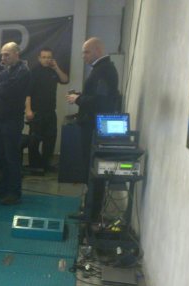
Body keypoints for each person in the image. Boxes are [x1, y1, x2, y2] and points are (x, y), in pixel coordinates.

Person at [66, 37, 120, 221]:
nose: (83, 56)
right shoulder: (100, 70)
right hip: (92, 125)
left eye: (86, 52)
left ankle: (92, 214)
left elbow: (102, 102)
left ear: (97, 50)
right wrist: (81, 96)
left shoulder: (104, 71)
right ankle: (90, 209)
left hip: (94, 129)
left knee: (94, 170)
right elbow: (97, 96)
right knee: (90, 170)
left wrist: (78, 100)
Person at [0, 42, 31, 205]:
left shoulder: (23, 72)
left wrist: (0, 90)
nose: (3, 58)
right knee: (1, 156)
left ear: (16, 54)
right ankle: (3, 188)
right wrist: (0, 90)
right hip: (0, 120)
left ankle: (14, 192)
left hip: (12, 121)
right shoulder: (5, 72)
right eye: (2, 55)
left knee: (12, 158)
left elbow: (9, 91)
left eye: (7, 54)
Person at [25, 47, 69, 174]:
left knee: (50, 140)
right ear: (39, 58)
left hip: (50, 112)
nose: (46, 60)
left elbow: (65, 80)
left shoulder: (53, 71)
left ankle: (46, 165)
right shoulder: (34, 71)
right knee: (34, 141)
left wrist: (56, 67)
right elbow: (28, 93)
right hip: (37, 112)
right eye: (44, 57)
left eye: (49, 57)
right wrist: (28, 110)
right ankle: (34, 165)